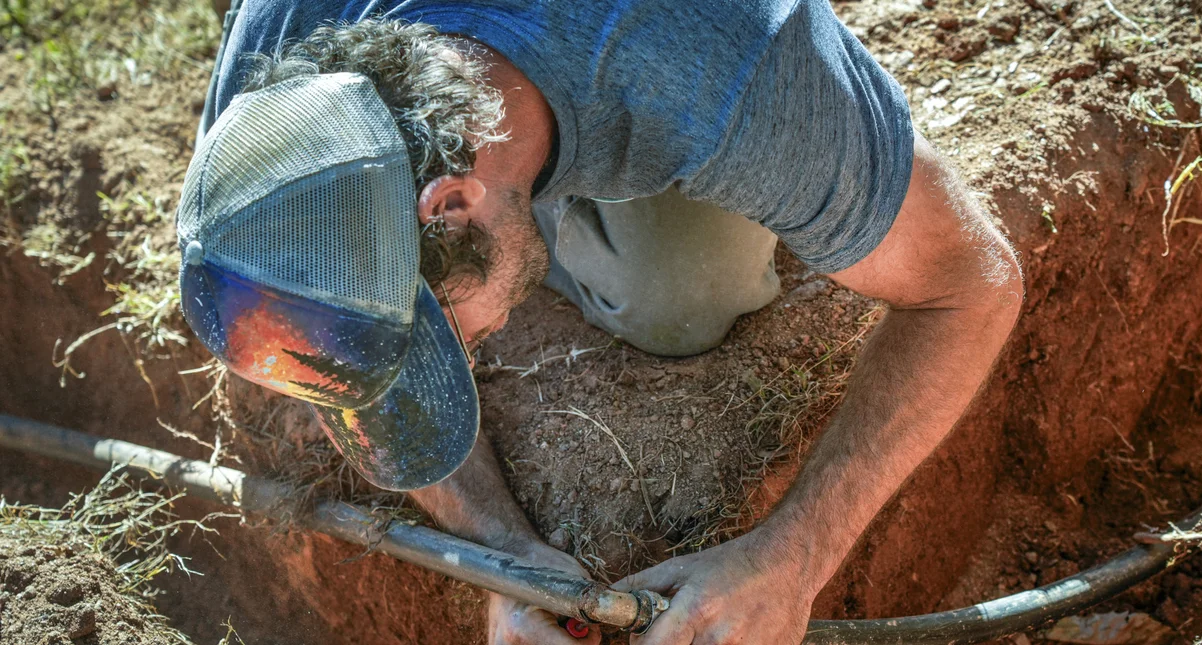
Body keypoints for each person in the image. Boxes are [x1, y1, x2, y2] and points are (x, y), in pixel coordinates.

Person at [175, 1, 1024, 643]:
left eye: (444, 340)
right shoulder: (280, 104)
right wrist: (499, 551)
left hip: (639, 54)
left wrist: (795, 552)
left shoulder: (727, 76)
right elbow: (324, 336)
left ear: (451, 207)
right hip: (507, 126)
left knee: (682, 297)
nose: (466, 353)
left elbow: (974, 283)